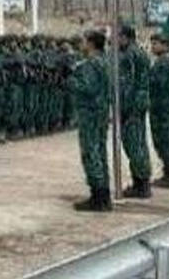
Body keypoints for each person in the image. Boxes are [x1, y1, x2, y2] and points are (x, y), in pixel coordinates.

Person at [70, 30, 112, 213]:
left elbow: (88, 88)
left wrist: (71, 81)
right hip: (101, 111)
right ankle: (103, 195)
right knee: (100, 152)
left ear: (91, 43)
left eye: (84, 41)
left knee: (90, 153)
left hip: (90, 112)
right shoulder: (105, 61)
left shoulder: (90, 64)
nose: (81, 45)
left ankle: (98, 197)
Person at [119, 25, 153, 199]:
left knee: (133, 144)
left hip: (132, 105)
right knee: (139, 143)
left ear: (125, 37)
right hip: (138, 103)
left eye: (118, 37)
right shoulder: (140, 53)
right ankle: (142, 181)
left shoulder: (130, 55)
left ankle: (141, 184)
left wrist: (125, 105)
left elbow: (128, 83)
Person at [149, 34, 169, 189]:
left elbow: (158, 83)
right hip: (164, 105)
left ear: (164, 45)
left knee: (165, 140)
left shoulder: (165, 62)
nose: (152, 47)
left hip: (162, 106)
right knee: (166, 139)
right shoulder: (166, 60)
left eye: (155, 44)